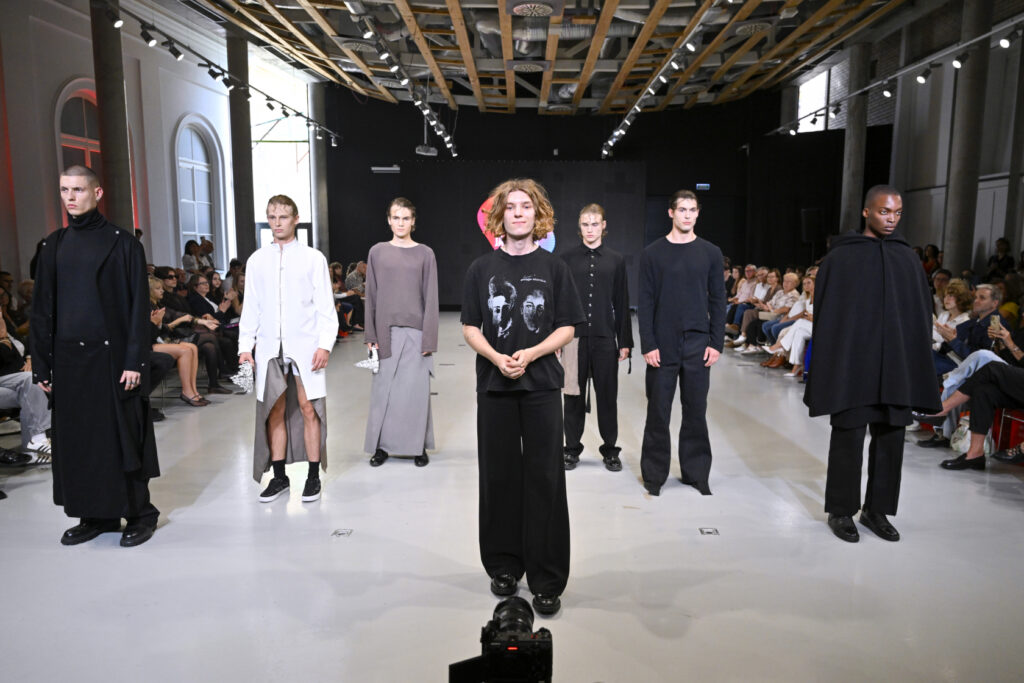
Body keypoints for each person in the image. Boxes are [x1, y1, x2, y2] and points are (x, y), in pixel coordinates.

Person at [461, 178, 583, 618]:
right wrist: (496, 357)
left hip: (542, 386)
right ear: (499, 216)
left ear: (538, 215)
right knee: (498, 478)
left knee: (545, 479)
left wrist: (531, 354)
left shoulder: (555, 268)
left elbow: (567, 326)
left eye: (525, 206)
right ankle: (504, 565)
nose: (517, 213)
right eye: (510, 206)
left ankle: (547, 577)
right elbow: (470, 326)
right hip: (495, 387)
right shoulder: (480, 269)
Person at [30, 165, 160, 547]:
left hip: (112, 359)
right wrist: (42, 365)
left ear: (97, 193)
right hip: (68, 362)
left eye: (78, 190)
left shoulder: (124, 244)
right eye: (64, 190)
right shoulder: (53, 245)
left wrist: (134, 361)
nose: (70, 197)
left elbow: (137, 308)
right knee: (80, 442)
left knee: (122, 439)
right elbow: (41, 309)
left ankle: (140, 514)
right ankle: (94, 515)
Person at [804, 185, 939, 544]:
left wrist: (914, 365)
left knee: (891, 438)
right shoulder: (841, 257)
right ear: (866, 212)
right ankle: (840, 510)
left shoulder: (907, 259)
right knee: (848, 436)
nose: (891, 219)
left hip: (895, 365)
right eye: (884, 211)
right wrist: (831, 366)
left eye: (897, 213)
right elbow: (828, 317)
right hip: (853, 365)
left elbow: (918, 318)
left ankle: (877, 510)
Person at [238, 195, 336, 503]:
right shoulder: (257, 260)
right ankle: (279, 477)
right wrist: (245, 347)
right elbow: (251, 308)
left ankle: (313, 476)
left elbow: (325, 307)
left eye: (282, 217)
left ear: (295, 218)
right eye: (272, 217)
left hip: (306, 345)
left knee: (309, 408)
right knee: (274, 410)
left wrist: (325, 345)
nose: (277, 223)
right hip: (269, 346)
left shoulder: (313, 259)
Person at [638, 190, 724, 497]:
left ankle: (696, 474)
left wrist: (717, 342)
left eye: (692, 209)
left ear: (698, 213)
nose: (687, 215)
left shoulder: (711, 253)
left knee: (696, 411)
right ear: (671, 213)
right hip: (662, 343)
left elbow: (718, 299)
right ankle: (654, 476)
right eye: (682, 209)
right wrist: (648, 343)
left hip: (698, 343)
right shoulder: (652, 253)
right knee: (658, 411)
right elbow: (645, 302)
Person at [363, 197, 439, 467]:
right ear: (388, 220)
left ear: (413, 222)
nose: (400, 223)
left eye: (406, 218)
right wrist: (370, 336)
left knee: (416, 393)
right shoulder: (377, 252)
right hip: (385, 332)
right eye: (396, 217)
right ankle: (382, 447)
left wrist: (429, 338)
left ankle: (418, 447)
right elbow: (371, 295)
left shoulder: (425, 253)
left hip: (416, 333)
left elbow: (431, 296)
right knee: (384, 392)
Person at [560, 203, 633, 472]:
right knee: (573, 395)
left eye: (594, 224)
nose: (590, 229)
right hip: (573, 339)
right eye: (585, 224)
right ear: (579, 228)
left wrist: (624, 341)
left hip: (604, 338)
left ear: (603, 225)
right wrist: (558, 339)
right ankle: (571, 449)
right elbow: (560, 300)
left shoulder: (616, 259)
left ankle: (610, 450)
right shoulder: (566, 258)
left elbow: (622, 301)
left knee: (607, 395)